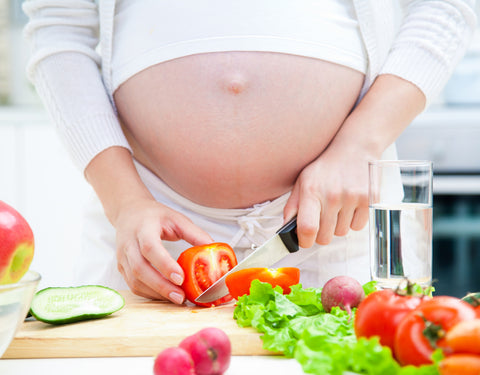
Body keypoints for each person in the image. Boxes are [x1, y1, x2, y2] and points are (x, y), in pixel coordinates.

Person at [23, 0, 477, 304]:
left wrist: (360, 143)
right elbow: (58, 27)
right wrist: (125, 203)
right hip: (154, 231)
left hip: (333, 224)